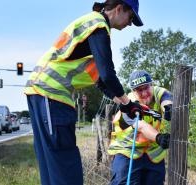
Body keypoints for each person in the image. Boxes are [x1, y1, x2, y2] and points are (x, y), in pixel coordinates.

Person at [24, 1, 143, 185]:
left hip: (42, 94)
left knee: (53, 167)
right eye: (131, 17)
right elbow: (108, 74)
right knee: (65, 168)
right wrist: (128, 103)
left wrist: (124, 104)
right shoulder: (98, 26)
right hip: (51, 94)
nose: (130, 23)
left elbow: (102, 81)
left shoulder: (92, 27)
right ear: (119, 8)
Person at [108, 70, 173, 185]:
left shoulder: (157, 92)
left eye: (146, 88)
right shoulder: (128, 104)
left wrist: (168, 107)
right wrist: (159, 137)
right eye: (139, 90)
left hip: (153, 155)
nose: (144, 93)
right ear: (133, 91)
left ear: (151, 85)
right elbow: (141, 126)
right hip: (128, 152)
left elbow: (166, 97)